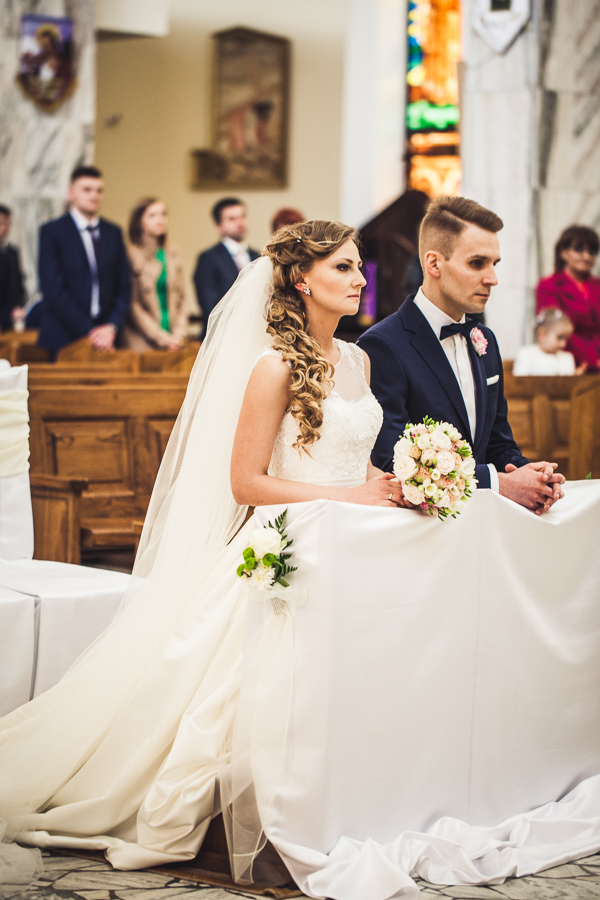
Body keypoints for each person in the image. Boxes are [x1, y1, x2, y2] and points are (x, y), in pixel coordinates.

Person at [0, 221, 598, 900]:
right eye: (342, 267)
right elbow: (246, 483)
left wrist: (411, 480)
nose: (359, 279)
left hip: (358, 540)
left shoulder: (358, 360)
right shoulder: (273, 366)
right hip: (293, 542)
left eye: (359, 267)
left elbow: (362, 458)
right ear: (301, 280)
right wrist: (348, 497)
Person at [358, 196, 565, 515]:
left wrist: (531, 476)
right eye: (477, 263)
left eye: (494, 264)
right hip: (424, 524)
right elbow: (393, 460)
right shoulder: (382, 345)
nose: (492, 278)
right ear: (433, 264)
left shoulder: (485, 340)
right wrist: (498, 483)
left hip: (485, 520)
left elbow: (497, 441)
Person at [37, 165, 131, 359]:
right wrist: (90, 331)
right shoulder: (53, 232)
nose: (94, 195)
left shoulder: (113, 232)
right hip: (64, 336)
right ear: (71, 193)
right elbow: (53, 289)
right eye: (87, 190)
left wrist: (110, 326)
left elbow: (124, 286)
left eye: (99, 190)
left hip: (108, 337)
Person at [121, 198, 188, 351]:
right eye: (152, 215)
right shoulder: (130, 254)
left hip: (174, 337)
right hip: (142, 339)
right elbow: (133, 305)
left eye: (163, 214)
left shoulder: (172, 253)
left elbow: (182, 298)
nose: (160, 220)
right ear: (139, 221)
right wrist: (162, 338)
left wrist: (179, 334)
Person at [193, 197, 259, 340]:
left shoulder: (258, 256)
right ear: (218, 226)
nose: (239, 222)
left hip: (254, 334)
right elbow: (209, 305)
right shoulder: (208, 258)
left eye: (242, 216)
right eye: (232, 219)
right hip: (221, 336)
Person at [536, 225, 600, 370]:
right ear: (563, 252)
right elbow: (554, 328)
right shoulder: (548, 286)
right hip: (566, 364)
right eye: (579, 249)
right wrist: (591, 360)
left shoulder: (598, 286)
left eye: (592, 251)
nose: (586, 256)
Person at [513, 307, 586, 376]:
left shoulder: (567, 358)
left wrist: (575, 378)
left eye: (565, 338)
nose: (563, 344)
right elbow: (519, 382)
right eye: (559, 338)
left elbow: (568, 384)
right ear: (542, 334)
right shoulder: (527, 355)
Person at [0, 205, 26, 332]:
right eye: (1, 223)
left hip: (9, 321)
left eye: (7, 224)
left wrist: (18, 305)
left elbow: (17, 285)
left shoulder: (12, 253)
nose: (4, 228)